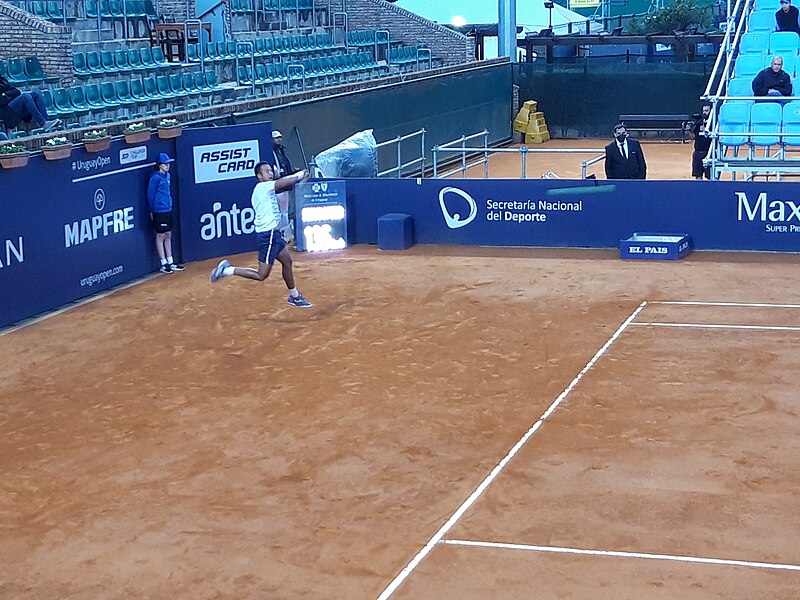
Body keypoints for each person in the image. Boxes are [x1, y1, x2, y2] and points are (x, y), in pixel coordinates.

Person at [209, 161, 313, 308]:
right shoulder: (262, 187)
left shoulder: (269, 188)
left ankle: (294, 296)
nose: (270, 173)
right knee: (261, 275)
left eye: (271, 170)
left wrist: (305, 176)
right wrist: (300, 173)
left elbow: (295, 186)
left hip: (274, 235)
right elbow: (287, 181)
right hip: (268, 236)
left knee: (287, 262)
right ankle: (226, 270)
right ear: (259, 176)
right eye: (266, 171)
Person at [146, 152, 185, 274]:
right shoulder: (155, 178)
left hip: (168, 209)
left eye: (168, 163)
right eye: (165, 164)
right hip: (159, 210)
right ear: (159, 165)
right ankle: (163, 264)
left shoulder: (168, 176)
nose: (168, 166)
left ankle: (170, 261)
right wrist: (151, 211)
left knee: (168, 234)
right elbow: (150, 195)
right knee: (161, 235)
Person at [272, 129, 296, 243]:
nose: (279, 139)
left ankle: (285, 234)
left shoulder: (281, 151)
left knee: (285, 211)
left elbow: (285, 166)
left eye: (280, 137)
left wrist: (292, 173)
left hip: (285, 185)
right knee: (282, 212)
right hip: (279, 187)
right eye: (276, 138)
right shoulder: (272, 152)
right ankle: (283, 234)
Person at [688, 102, 712, 180]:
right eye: (703, 111)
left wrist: (707, 130)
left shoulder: (713, 123)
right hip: (697, 152)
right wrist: (689, 130)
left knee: (710, 176)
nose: (704, 113)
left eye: (706, 111)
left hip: (708, 153)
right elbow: (693, 137)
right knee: (698, 175)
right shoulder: (699, 122)